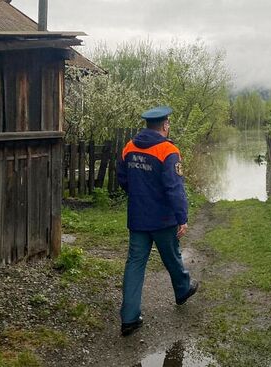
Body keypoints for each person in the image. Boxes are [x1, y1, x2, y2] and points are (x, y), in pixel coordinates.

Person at [117, 105, 198, 337]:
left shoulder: (129, 147)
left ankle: (129, 318)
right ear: (164, 125)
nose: (168, 126)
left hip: (138, 218)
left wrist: (139, 195)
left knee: (134, 264)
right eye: (168, 123)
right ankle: (182, 290)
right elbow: (174, 188)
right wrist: (181, 217)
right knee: (172, 256)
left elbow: (123, 178)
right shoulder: (167, 150)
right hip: (163, 220)